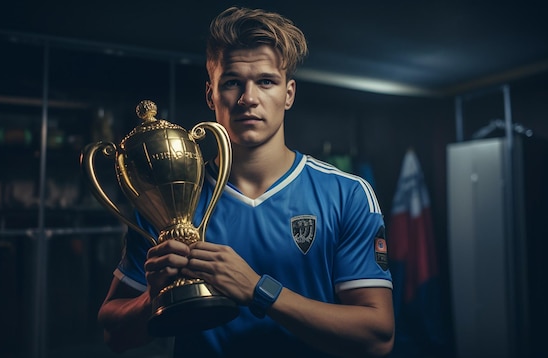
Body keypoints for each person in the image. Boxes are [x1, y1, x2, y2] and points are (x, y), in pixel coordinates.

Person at [97, 6, 394, 358]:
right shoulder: (167, 197)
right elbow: (114, 336)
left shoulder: (347, 195)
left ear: (289, 94)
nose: (248, 98)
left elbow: (377, 338)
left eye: (266, 81)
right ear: (211, 95)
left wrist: (258, 290)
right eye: (232, 82)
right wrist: (153, 297)